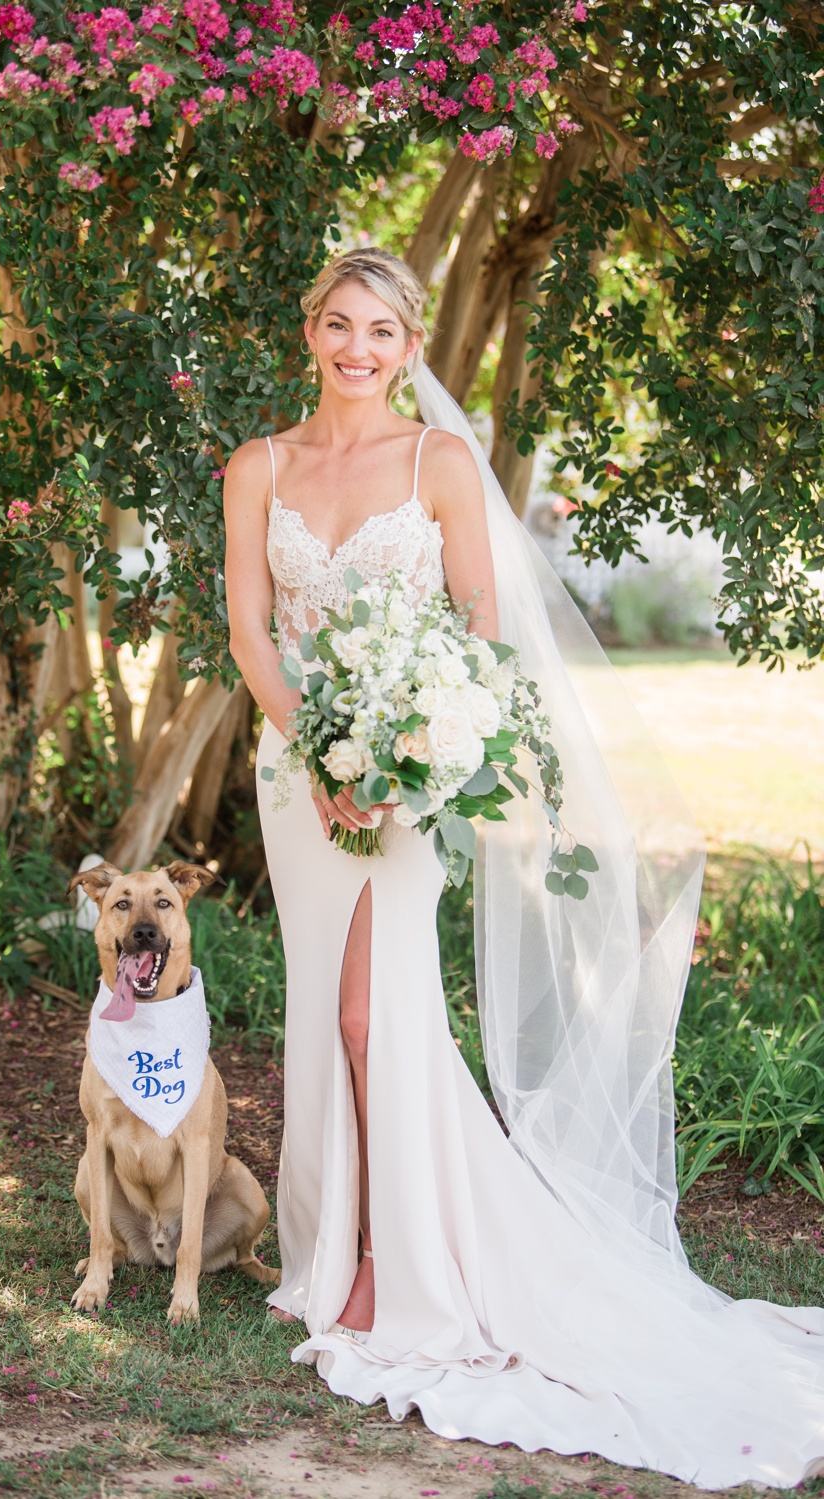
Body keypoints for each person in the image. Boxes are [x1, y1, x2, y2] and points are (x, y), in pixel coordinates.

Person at [221, 247, 824, 1488]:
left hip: (404, 774)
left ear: (408, 345)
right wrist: (315, 753)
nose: (356, 348)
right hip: (297, 776)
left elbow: (483, 630)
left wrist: (399, 752)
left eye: (380, 330)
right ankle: (335, 1252)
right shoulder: (259, 467)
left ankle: (396, 1263)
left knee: (368, 1010)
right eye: (337, 324)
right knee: (320, 1014)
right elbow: (246, 626)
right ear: (308, 331)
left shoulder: (440, 463)